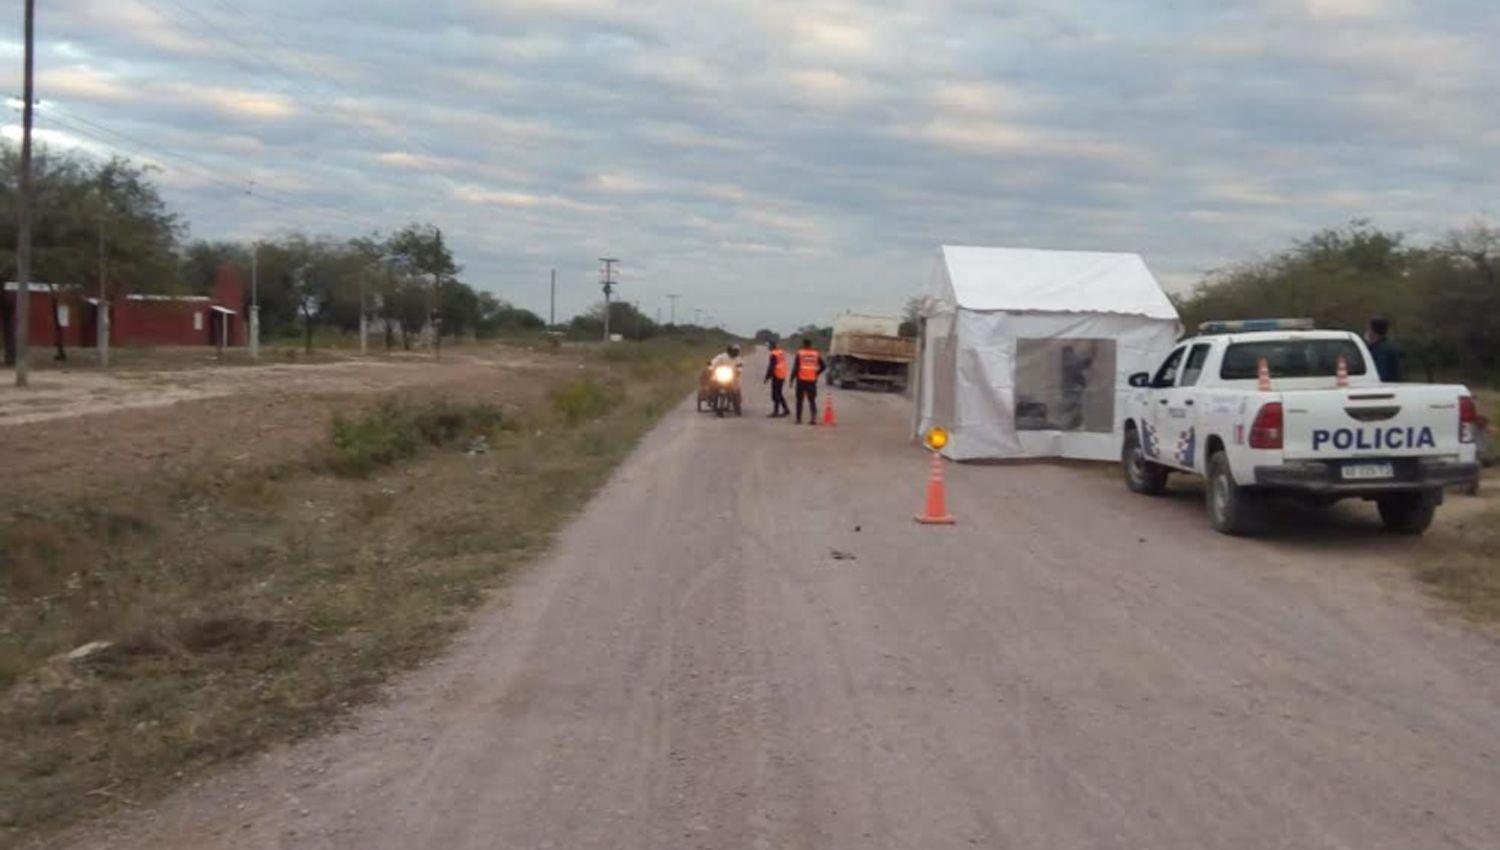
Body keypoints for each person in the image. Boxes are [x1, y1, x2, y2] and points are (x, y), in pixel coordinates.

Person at [793, 337, 825, 425]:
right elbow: (823, 366)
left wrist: (792, 379)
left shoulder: (800, 353)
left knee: (799, 400)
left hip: (801, 380)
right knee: (812, 400)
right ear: (811, 344)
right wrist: (816, 373)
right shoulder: (816, 354)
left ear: (803, 344)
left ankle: (799, 419)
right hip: (811, 380)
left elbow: (795, 368)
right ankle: (813, 419)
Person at [1365, 316, 1401, 382]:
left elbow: (1382, 373)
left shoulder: (1379, 351)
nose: (1367, 332)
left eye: (1368, 329)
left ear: (1373, 331)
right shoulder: (1391, 347)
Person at [764, 339, 791, 418]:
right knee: (779, 393)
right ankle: (786, 409)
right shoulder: (781, 352)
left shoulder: (773, 354)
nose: (768, 348)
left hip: (777, 375)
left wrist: (767, 377)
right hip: (782, 375)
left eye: (769, 346)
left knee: (775, 394)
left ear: (772, 346)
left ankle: (776, 411)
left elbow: (771, 367)